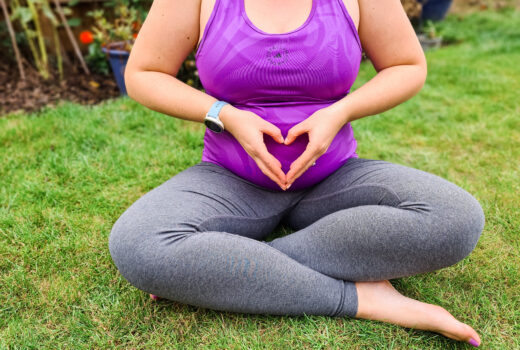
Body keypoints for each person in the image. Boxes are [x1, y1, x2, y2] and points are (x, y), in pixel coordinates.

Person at [108, 0, 484, 347]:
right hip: (230, 179)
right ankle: (363, 299)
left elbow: (407, 65)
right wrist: (225, 115)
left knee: (456, 218)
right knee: (138, 244)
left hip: (334, 177)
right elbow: (144, 73)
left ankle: (218, 267)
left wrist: (340, 112)